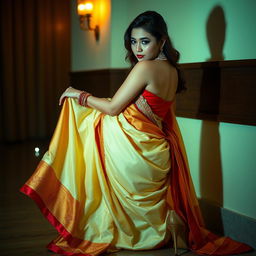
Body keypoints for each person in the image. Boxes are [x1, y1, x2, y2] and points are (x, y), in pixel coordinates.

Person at [20, 11, 252, 256]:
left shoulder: (145, 68)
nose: (138, 48)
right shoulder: (173, 71)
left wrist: (78, 94)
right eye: (133, 41)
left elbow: (113, 108)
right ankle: (147, 233)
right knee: (91, 124)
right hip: (154, 150)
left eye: (145, 41)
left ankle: (108, 226)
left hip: (134, 151)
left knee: (87, 124)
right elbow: (159, 117)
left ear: (161, 41)